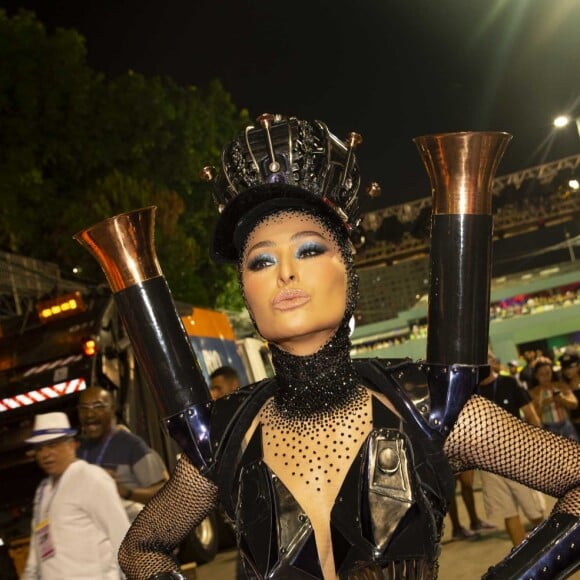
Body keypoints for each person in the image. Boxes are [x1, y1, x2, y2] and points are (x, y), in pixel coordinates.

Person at [82, 115, 580, 579]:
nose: (286, 272)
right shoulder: (225, 434)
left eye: (309, 249)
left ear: (349, 273)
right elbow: (138, 548)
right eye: (259, 262)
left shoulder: (423, 404)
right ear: (247, 295)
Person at [22, 412, 129, 579]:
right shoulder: (43, 490)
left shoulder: (90, 477)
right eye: (40, 448)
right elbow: (37, 547)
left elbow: (121, 534)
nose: (45, 454)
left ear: (72, 445)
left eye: (52, 445)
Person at [477, 352, 546, 545]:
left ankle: (550, 552)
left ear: (494, 363)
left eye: (486, 360)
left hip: (516, 456)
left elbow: (532, 416)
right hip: (488, 462)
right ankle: (522, 558)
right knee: (508, 512)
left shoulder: (509, 383)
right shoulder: (470, 392)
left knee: (534, 512)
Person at [77, 386, 169, 521]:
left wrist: (126, 492)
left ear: (112, 409)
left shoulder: (132, 446)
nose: (90, 414)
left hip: (131, 534)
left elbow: (165, 494)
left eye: (98, 406)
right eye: (84, 408)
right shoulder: (78, 450)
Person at [528, 357, 579, 441]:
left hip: (566, 425)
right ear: (536, 376)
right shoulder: (534, 392)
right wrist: (544, 404)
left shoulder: (560, 385)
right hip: (548, 428)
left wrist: (562, 399)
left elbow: (574, 404)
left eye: (548, 373)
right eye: (542, 374)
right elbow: (532, 415)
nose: (546, 377)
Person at [560, 352, 580, 437]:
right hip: (573, 428)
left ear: (578, 366)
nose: (567, 371)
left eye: (570, 367)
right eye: (564, 368)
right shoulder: (563, 387)